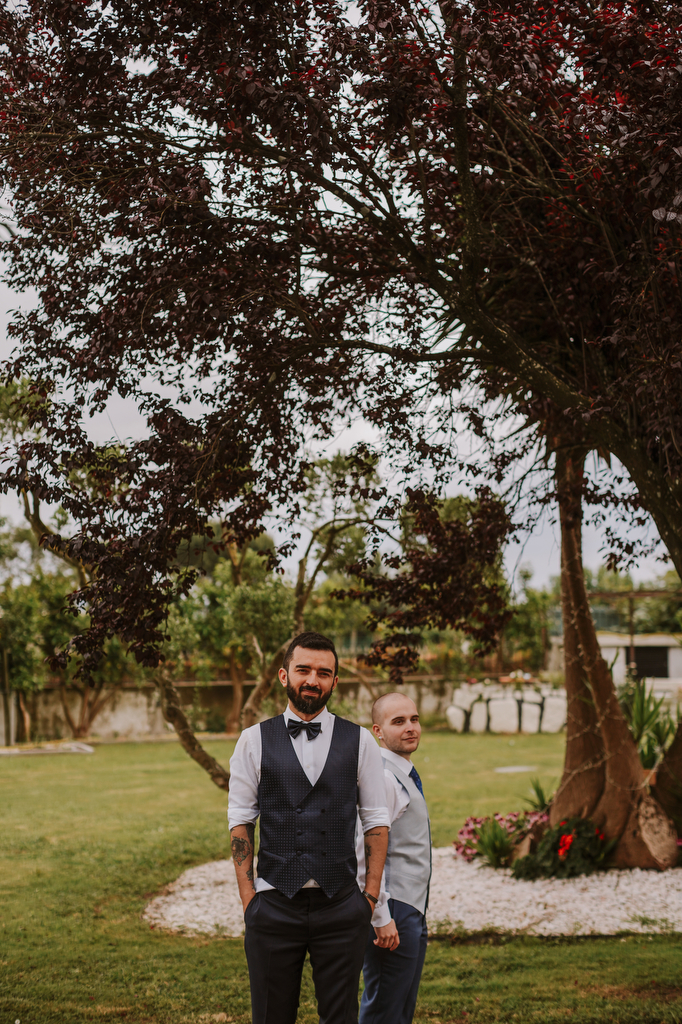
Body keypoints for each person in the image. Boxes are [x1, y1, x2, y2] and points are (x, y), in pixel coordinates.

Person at [228, 631, 390, 1024]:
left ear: (335, 681)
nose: (312, 680)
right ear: (284, 675)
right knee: (271, 1016)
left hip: (342, 907)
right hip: (273, 906)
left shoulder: (361, 741)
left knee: (341, 1017)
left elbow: (376, 821)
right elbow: (241, 821)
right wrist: (250, 902)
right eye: (303, 670)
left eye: (323, 672)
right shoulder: (252, 740)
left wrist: (368, 898)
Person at [358, 692, 431, 1024]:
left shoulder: (401, 771)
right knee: (385, 1008)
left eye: (414, 719)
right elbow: (365, 848)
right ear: (378, 731)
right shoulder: (384, 778)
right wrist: (381, 916)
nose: (410, 728)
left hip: (411, 906)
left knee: (400, 1007)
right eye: (398, 721)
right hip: (393, 909)